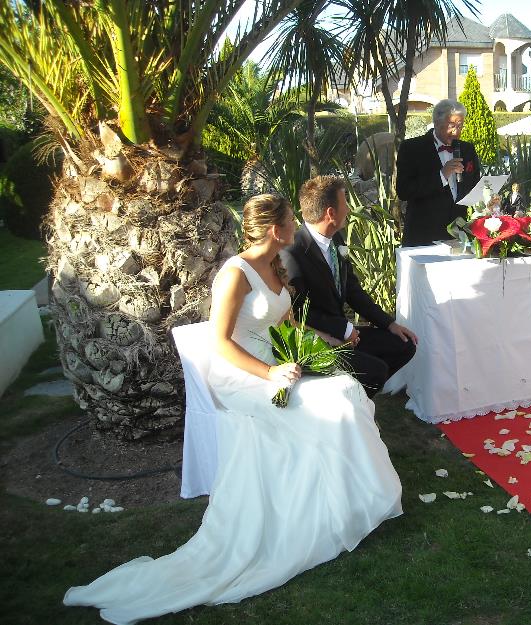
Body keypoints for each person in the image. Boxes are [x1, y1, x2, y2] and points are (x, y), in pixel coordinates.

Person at [64, 194, 403, 624]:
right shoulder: (235, 273)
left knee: (346, 390)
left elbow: (287, 326)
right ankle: (330, 511)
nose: (297, 225)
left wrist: (322, 349)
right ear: (274, 229)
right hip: (243, 377)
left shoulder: (277, 265)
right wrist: (270, 374)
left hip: (280, 365)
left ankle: (354, 502)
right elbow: (220, 344)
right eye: (291, 220)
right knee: (336, 401)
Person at [281, 176, 417, 398]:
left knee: (404, 345)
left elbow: (352, 290)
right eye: (345, 204)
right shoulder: (293, 253)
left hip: (344, 333)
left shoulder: (336, 238)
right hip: (318, 341)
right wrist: (342, 330)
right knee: (376, 371)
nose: (350, 209)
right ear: (330, 213)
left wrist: (389, 323)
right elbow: (297, 312)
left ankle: (357, 400)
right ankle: (353, 403)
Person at [396, 99, 481, 247]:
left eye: (460, 126)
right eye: (451, 125)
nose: (456, 132)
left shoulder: (467, 149)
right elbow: (404, 190)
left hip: (458, 236)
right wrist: (442, 175)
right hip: (423, 236)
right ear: (436, 123)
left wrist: (486, 195)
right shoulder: (412, 148)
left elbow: (474, 184)